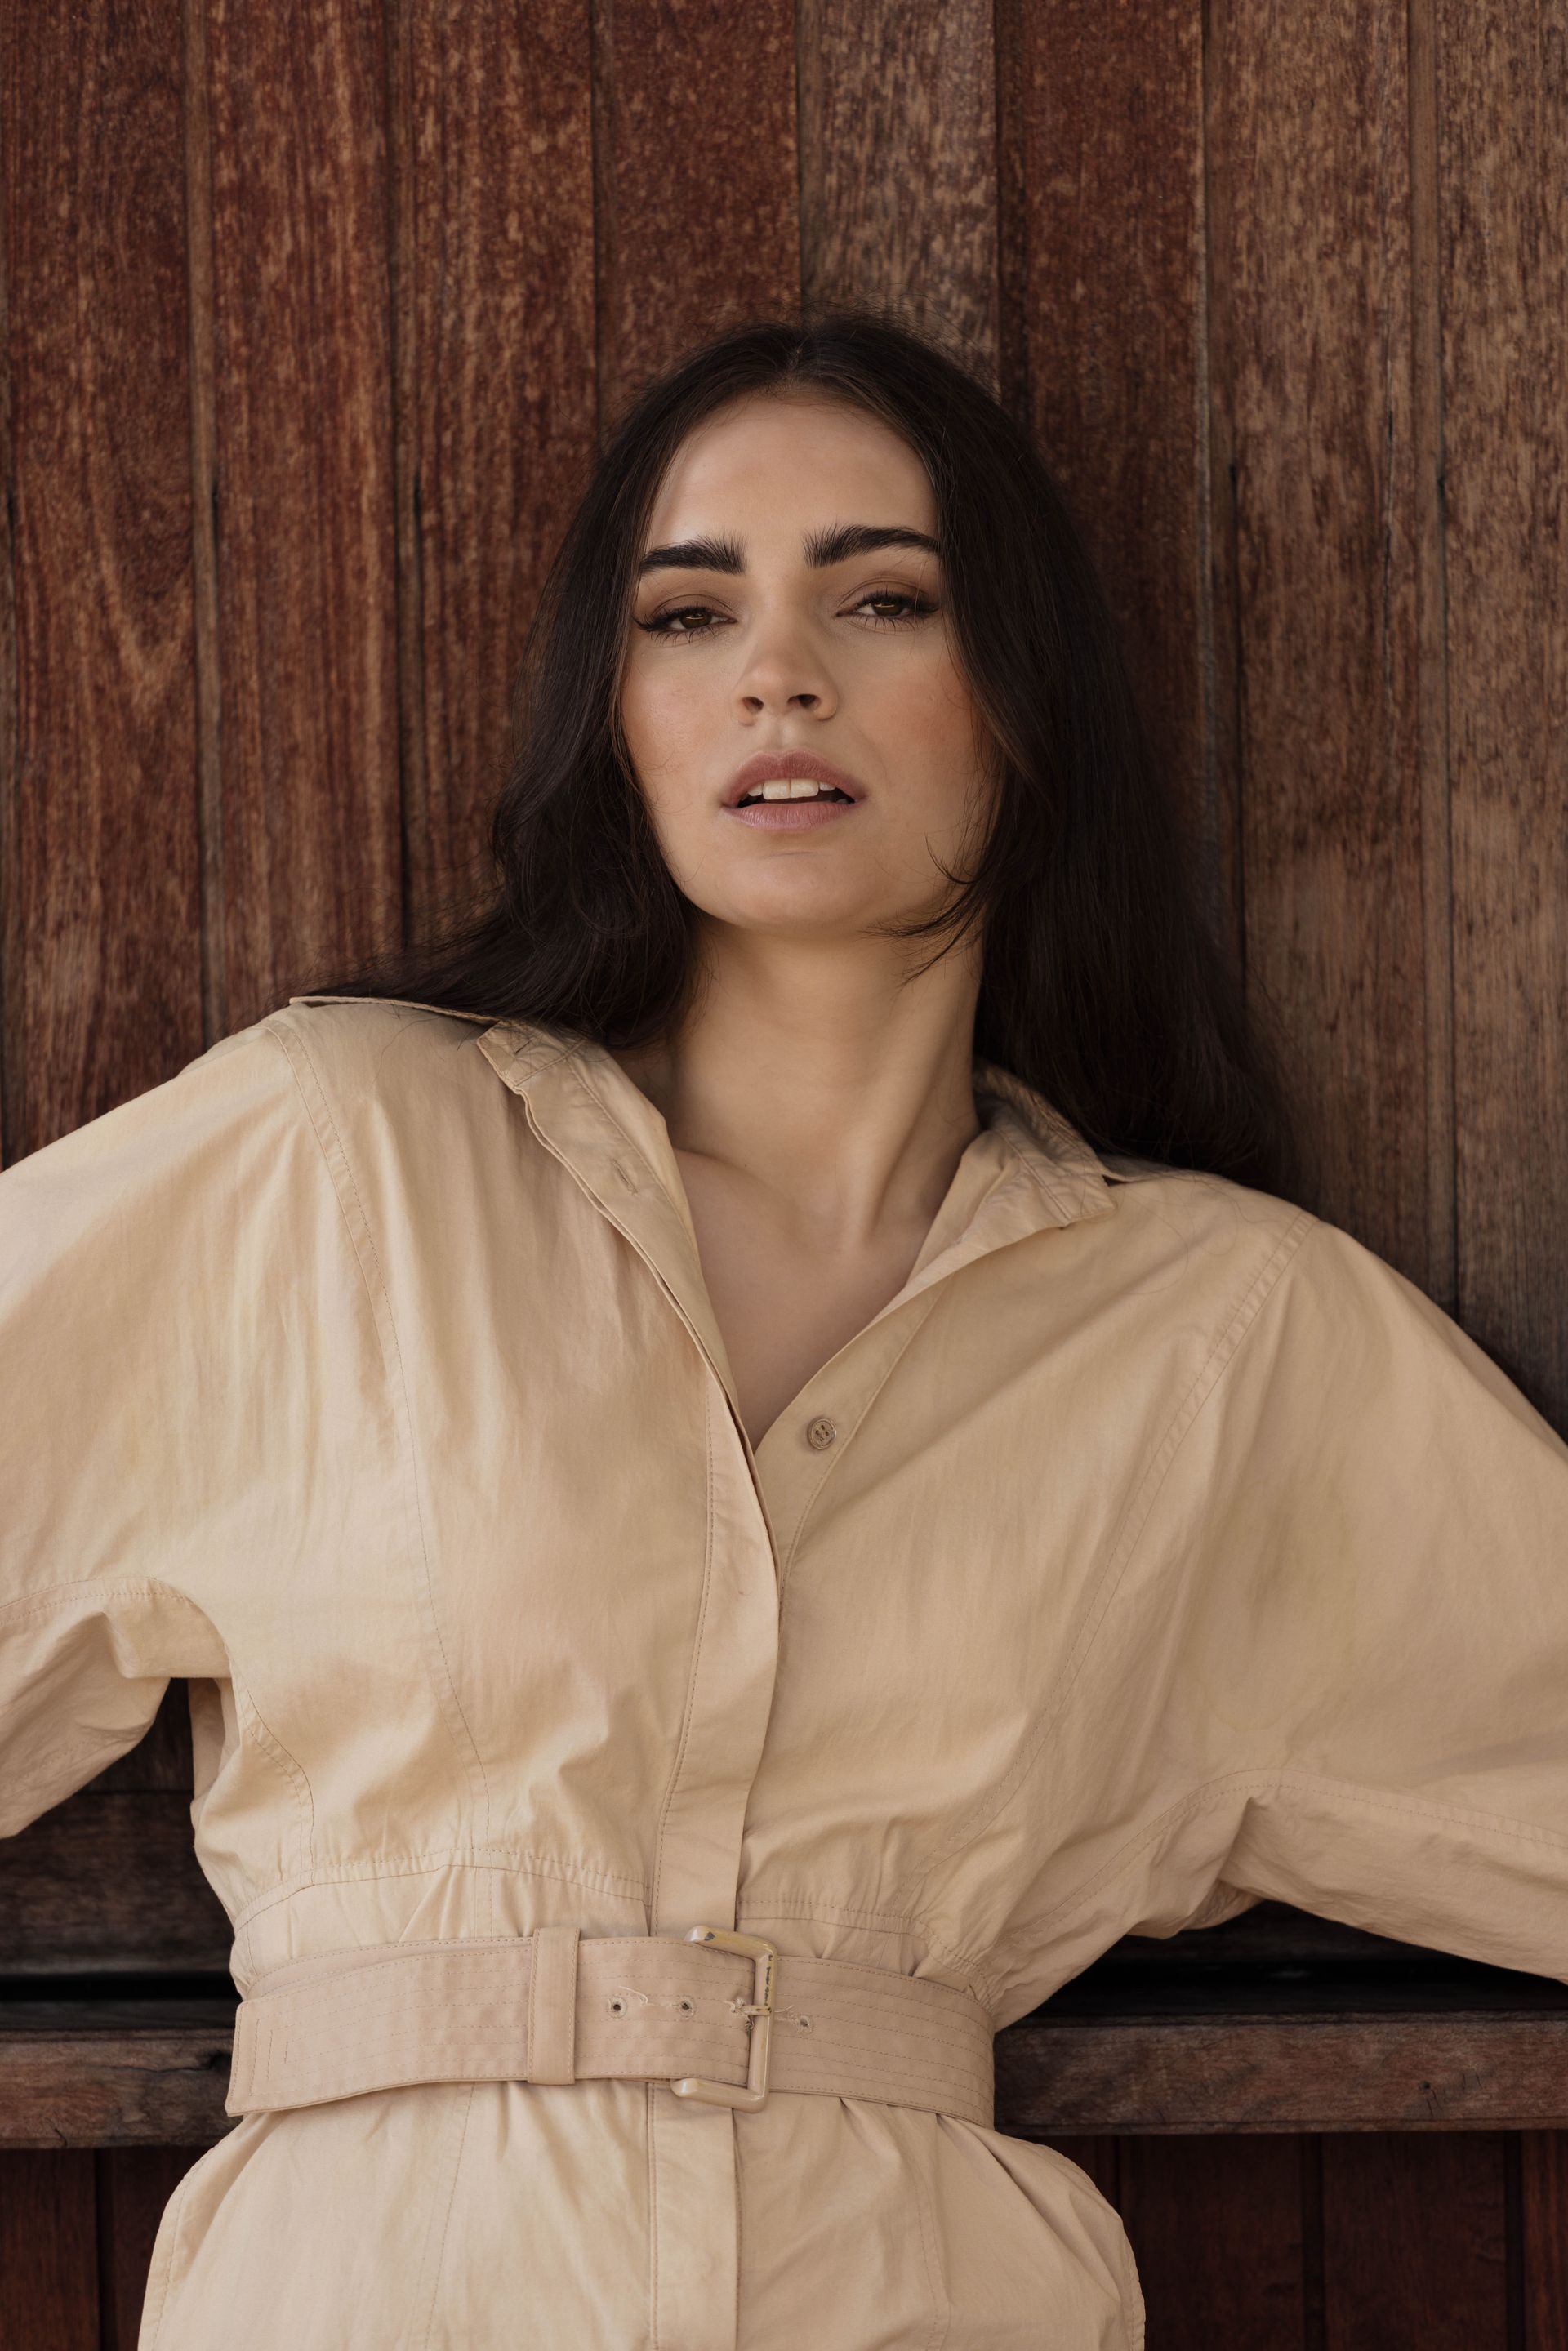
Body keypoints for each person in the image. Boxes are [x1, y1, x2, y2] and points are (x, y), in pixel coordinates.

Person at [2, 309, 1566, 2351]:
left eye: (884, 596)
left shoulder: (1223, 1338)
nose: (775, 670)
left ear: (1023, 699)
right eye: (687, 613)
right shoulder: (339, 1158)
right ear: (619, 713)